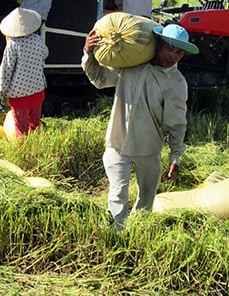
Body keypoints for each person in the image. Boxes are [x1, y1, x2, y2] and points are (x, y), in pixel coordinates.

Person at [81, 23, 199, 230]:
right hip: (117, 142)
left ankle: (138, 231)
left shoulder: (176, 83)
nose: (172, 55)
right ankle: (119, 235)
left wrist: (175, 157)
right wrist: (88, 53)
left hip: (148, 148)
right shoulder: (131, 64)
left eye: (178, 52)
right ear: (158, 45)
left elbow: (177, 123)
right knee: (118, 192)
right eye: (169, 48)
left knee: (147, 196)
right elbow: (99, 78)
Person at [0, 7, 49, 137]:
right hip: (38, 90)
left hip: (20, 95)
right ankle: (36, 147)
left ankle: (23, 152)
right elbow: (45, 54)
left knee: (21, 127)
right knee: (35, 125)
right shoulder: (38, 40)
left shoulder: (13, 44)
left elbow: (6, 70)